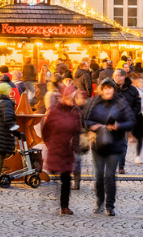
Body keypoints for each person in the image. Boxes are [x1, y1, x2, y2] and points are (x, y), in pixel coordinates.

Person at [84, 78, 135, 216]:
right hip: (98, 144)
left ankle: (110, 205)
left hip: (115, 144)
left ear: (114, 89)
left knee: (110, 176)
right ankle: (100, 200)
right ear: (101, 89)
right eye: (105, 88)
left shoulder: (121, 103)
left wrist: (119, 126)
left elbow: (131, 122)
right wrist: (92, 125)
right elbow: (86, 120)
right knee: (98, 175)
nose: (107, 90)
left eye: (110, 87)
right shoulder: (95, 102)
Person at [42, 85, 81, 215]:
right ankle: (60, 204)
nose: (72, 100)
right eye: (71, 97)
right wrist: (50, 144)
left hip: (67, 149)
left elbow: (78, 131)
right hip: (56, 146)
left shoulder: (75, 112)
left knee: (66, 177)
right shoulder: (55, 111)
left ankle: (64, 206)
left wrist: (75, 145)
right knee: (58, 173)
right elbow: (46, 129)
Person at [113, 69, 140, 175]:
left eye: (117, 75)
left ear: (123, 76)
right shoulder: (111, 88)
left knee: (123, 143)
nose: (115, 77)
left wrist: (132, 114)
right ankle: (112, 164)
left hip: (125, 120)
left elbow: (137, 103)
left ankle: (121, 165)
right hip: (113, 119)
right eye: (114, 75)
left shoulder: (132, 90)